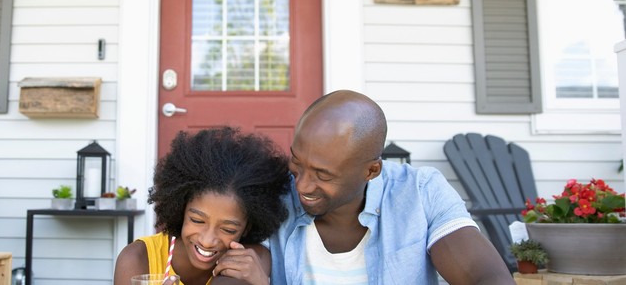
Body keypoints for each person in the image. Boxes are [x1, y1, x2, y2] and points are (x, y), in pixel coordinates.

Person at [267, 90, 515, 284]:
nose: (301, 185)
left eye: (323, 175)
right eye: (297, 162)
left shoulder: (421, 192)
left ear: (371, 170)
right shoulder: (271, 194)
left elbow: (484, 275)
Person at [114, 126, 291, 285]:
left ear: (247, 228)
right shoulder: (137, 259)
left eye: (228, 229)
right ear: (181, 208)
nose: (207, 241)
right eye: (197, 220)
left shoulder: (250, 261)